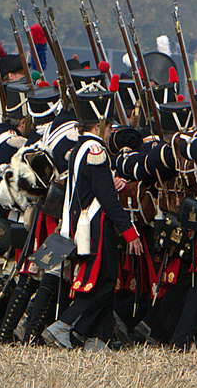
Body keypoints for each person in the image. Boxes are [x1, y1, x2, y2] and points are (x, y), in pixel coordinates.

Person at [44, 84, 141, 351]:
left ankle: (97, 339)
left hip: (83, 221)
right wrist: (130, 232)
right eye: (109, 128)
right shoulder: (96, 151)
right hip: (95, 224)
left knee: (106, 280)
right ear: (99, 126)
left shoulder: (79, 147)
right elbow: (106, 199)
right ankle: (63, 325)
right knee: (103, 282)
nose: (111, 133)